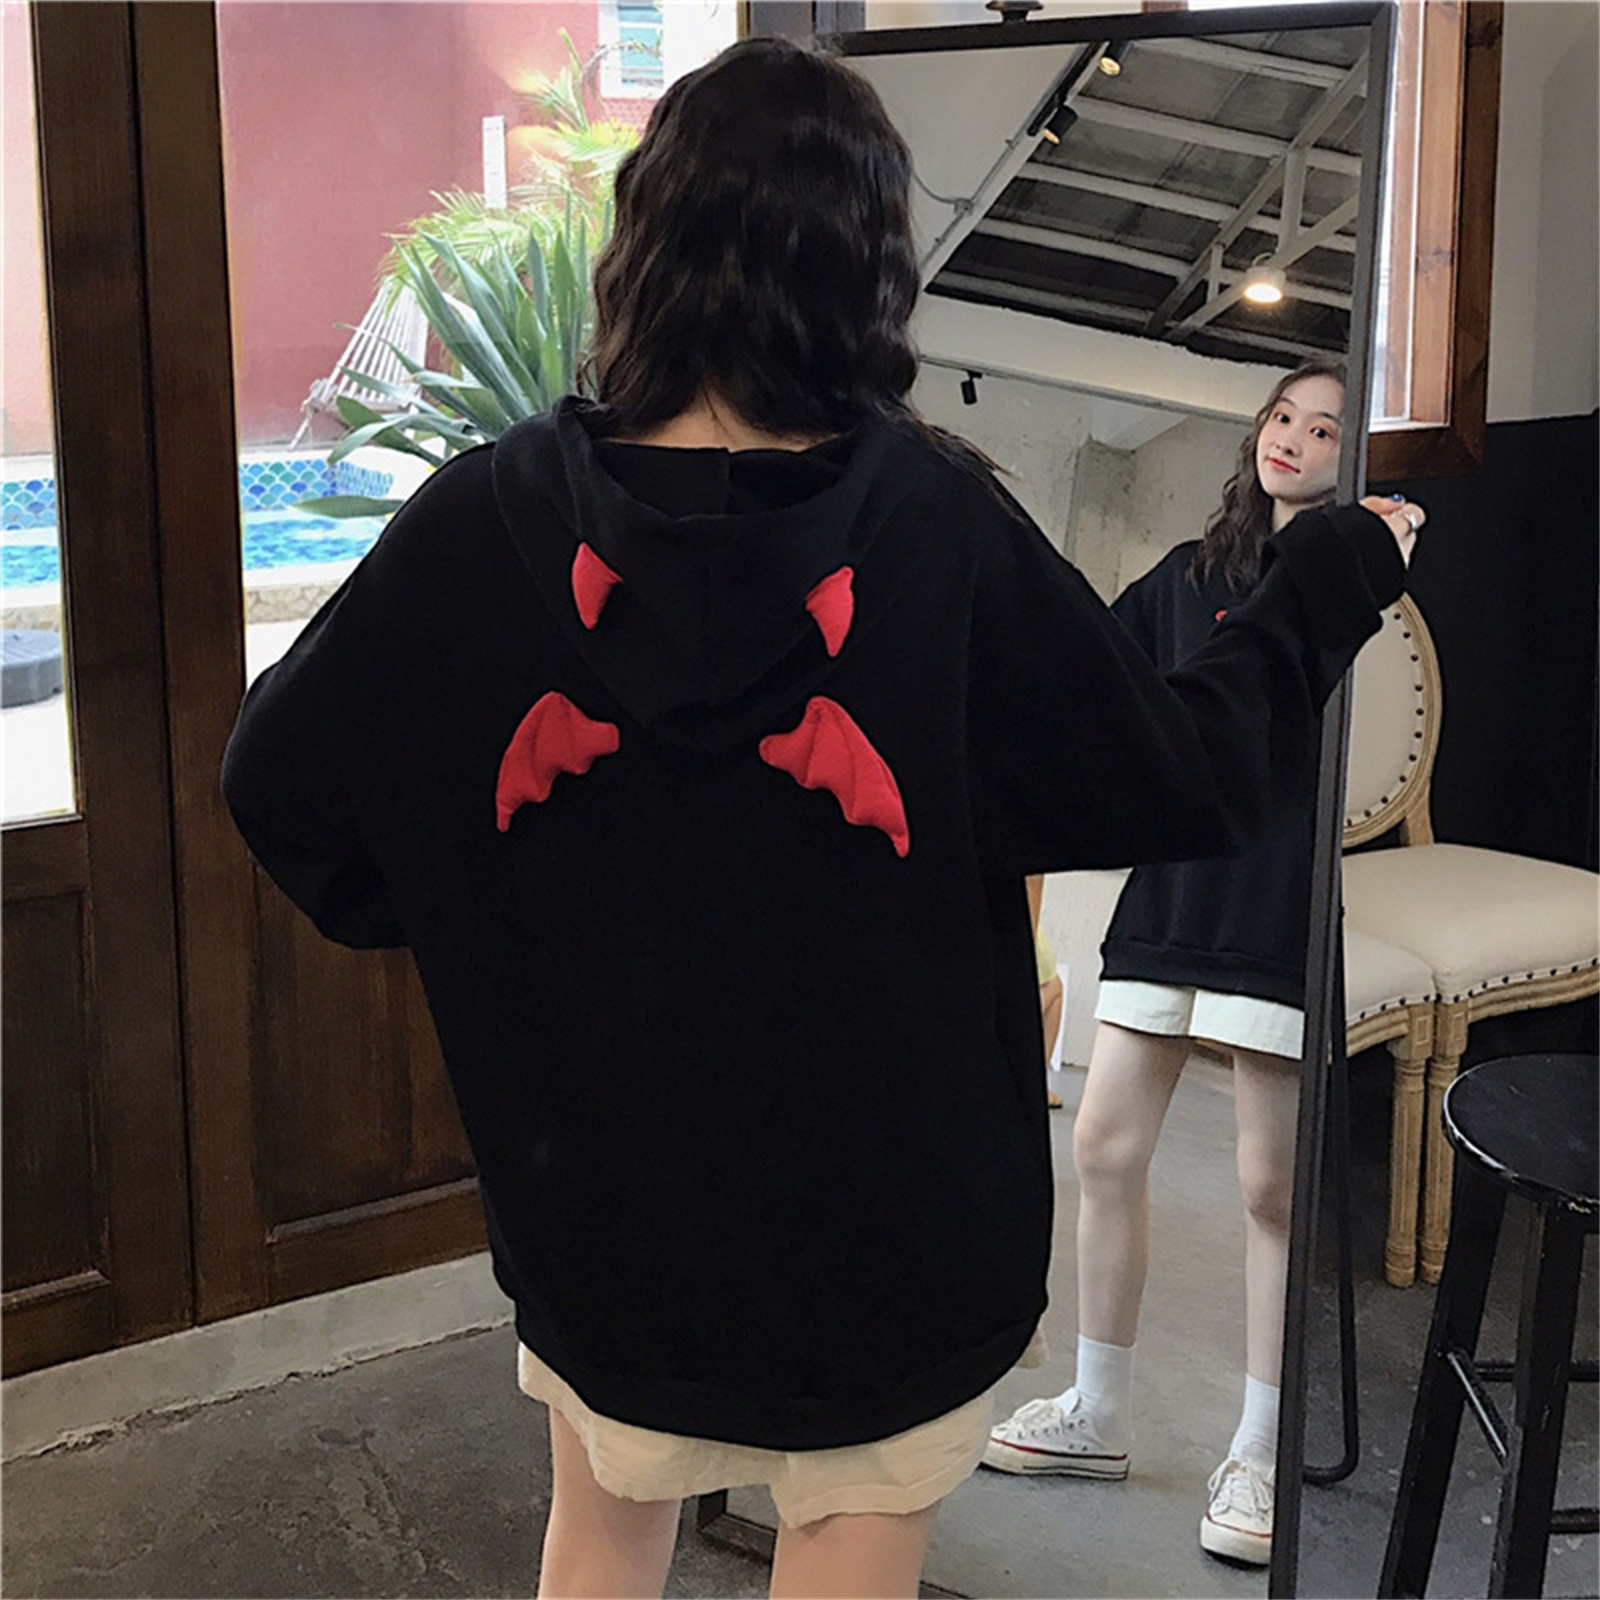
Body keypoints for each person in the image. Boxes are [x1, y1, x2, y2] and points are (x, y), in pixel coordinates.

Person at [221, 41, 1422, 1600]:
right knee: (843, 1555)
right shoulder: (937, 529)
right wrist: (1332, 573)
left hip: (601, 1195)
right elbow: (1181, 770)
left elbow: (279, 783)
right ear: (867, 273)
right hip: (889, 1225)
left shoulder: (485, 518)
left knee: (599, 1531)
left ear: (645, 249)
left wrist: (485, 907)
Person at [983, 365, 1424, 1569]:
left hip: (1276, 895)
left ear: (1352, 454)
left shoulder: (1353, 587)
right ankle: (1098, 1410)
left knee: (1270, 1187)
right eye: (1283, 417)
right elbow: (1099, 673)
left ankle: (1263, 1447)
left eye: (1324, 428)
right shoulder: (1186, 575)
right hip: (1172, 888)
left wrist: (1373, 554)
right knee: (1103, 1146)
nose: (1294, 439)